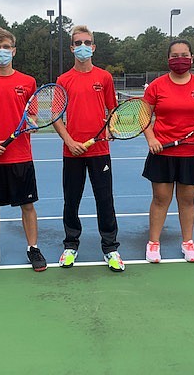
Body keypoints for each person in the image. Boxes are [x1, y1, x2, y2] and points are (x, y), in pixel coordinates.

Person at [0, 27, 47, 273]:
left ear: (13, 51)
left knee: (28, 206)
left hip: (21, 156)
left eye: (6, 47)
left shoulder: (28, 82)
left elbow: (32, 115)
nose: (2, 52)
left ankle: (32, 248)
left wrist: (32, 124)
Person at [53, 25, 125, 272]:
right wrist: (69, 142)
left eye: (86, 42)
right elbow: (56, 116)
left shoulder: (104, 77)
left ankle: (110, 248)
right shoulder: (63, 80)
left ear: (93, 47)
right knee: (71, 201)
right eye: (77, 42)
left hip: (99, 151)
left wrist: (110, 128)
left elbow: (112, 111)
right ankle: (71, 245)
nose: (82, 46)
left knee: (104, 200)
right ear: (72, 47)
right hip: (71, 152)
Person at [142, 39, 194, 264]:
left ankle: (188, 243)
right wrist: (152, 138)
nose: (179, 59)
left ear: (192, 58)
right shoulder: (157, 86)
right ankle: (153, 244)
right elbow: (144, 115)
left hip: (192, 152)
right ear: (168, 59)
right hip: (162, 151)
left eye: (184, 55)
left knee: (187, 201)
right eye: (175, 56)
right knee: (160, 199)